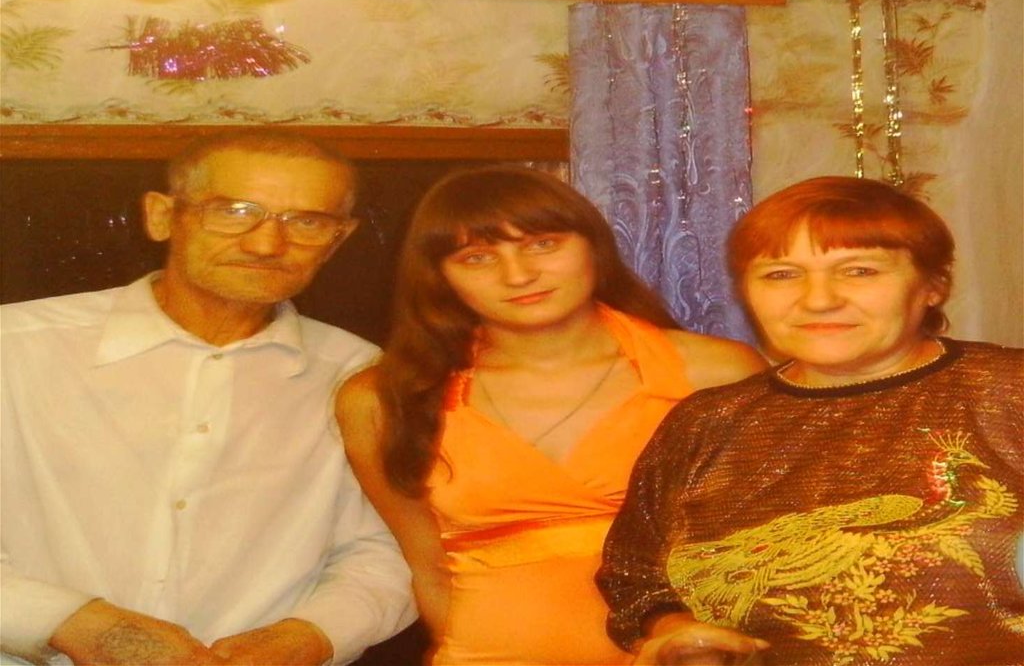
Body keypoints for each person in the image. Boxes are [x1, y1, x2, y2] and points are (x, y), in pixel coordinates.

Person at [0, 132, 415, 666]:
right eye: (233, 212)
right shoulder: (15, 348)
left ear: (339, 239)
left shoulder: (360, 377)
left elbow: (387, 550)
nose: (266, 245)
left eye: (307, 222)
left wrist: (311, 637)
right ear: (162, 216)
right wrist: (67, 621)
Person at [334, 165, 766, 665]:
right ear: (439, 276)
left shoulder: (714, 372)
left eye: (542, 245)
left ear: (594, 246)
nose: (518, 276)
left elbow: (765, 553)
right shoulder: (382, 399)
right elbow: (427, 568)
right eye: (477, 257)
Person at [597, 175, 1024, 665]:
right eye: (781, 274)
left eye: (859, 271)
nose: (818, 300)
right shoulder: (705, 423)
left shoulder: (1009, 392)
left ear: (933, 285)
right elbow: (635, 577)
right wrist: (678, 632)